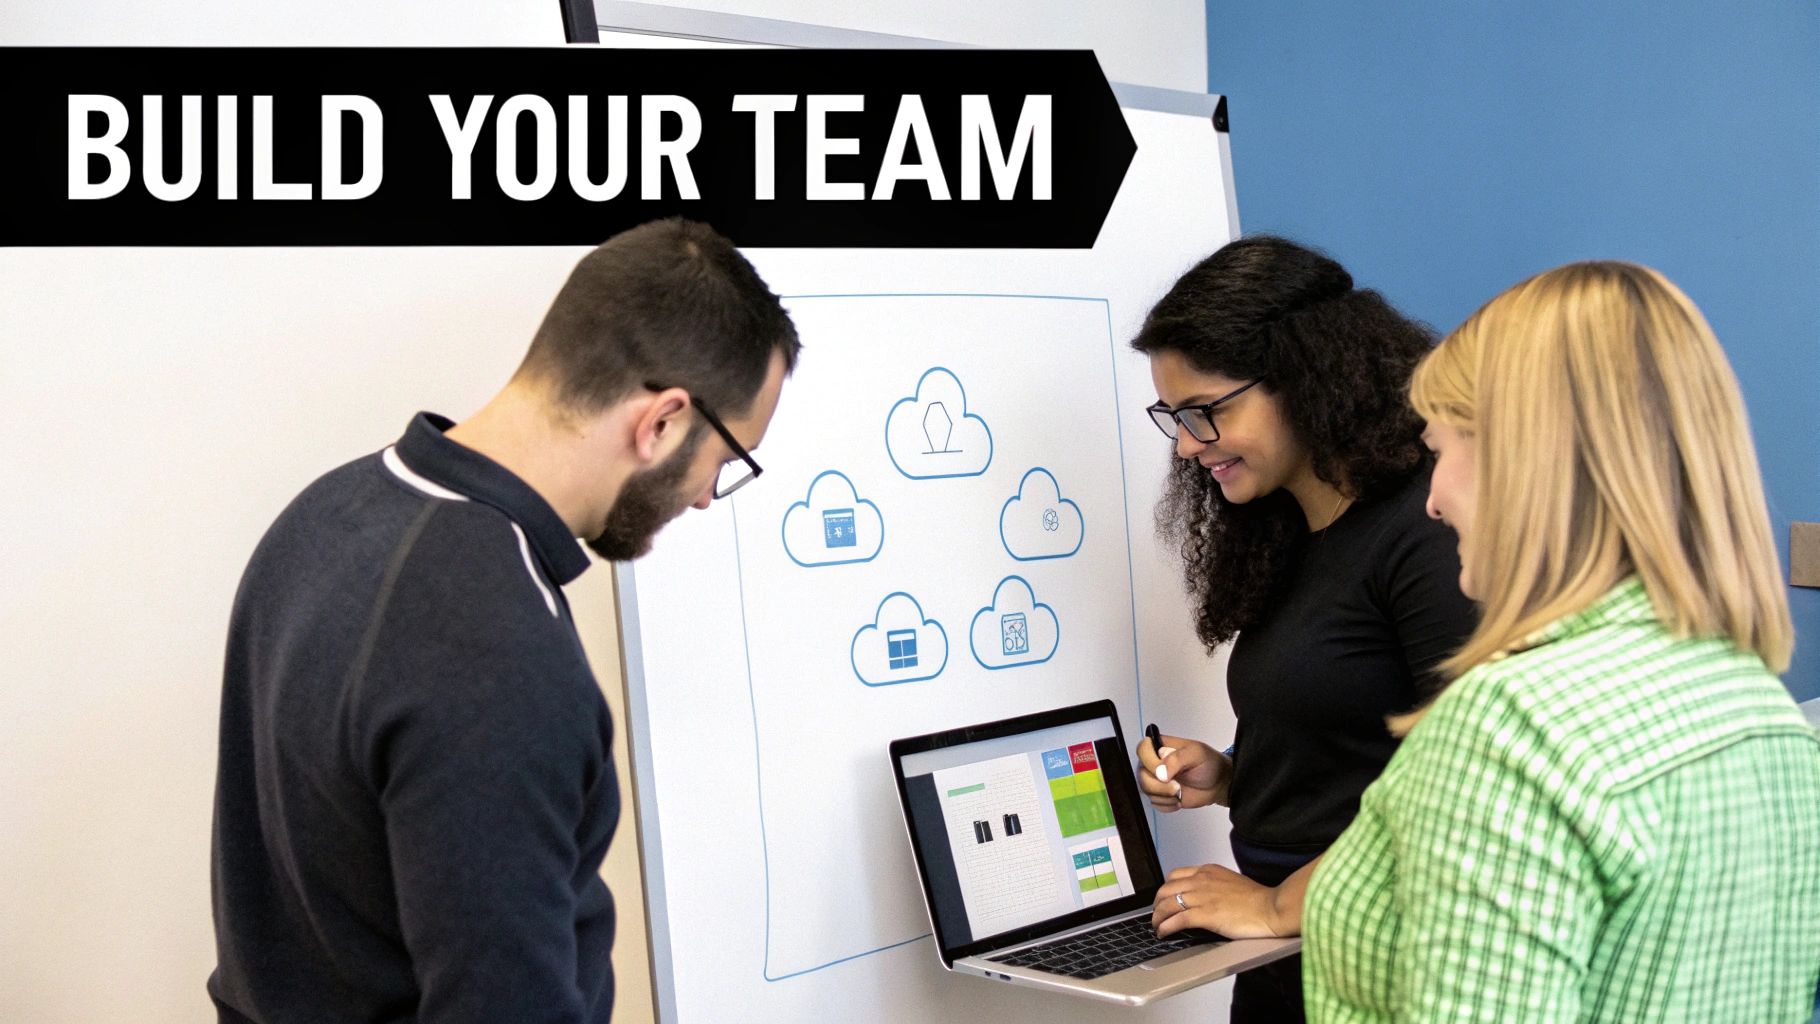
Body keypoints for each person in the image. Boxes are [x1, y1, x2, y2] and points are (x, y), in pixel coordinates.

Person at [208, 218, 801, 1023]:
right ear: (661, 421)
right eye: (725, 461)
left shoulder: (323, 514)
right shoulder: (500, 655)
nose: (704, 495)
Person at [1303, 261, 1820, 1021]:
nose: (1435, 502)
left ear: (1526, 460)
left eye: (1441, 451)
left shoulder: (1512, 729)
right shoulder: (1758, 705)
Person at [1131, 236, 1477, 1021]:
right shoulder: (1287, 529)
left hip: (1369, 957)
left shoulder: (1426, 531)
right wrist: (1232, 776)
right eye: (1173, 418)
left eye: (1207, 412)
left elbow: (1454, 793)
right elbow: (1354, 738)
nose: (1187, 445)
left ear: (1306, 378)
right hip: (1285, 955)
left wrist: (1281, 906)